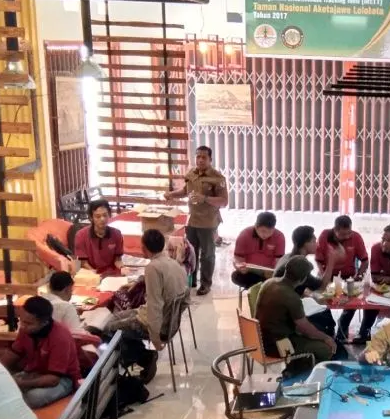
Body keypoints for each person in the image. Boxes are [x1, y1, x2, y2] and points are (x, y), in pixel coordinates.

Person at [104, 229, 190, 350]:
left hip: (157, 325)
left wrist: (155, 339)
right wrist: (174, 317)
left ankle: (143, 356)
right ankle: (139, 353)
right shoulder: (175, 264)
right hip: (170, 322)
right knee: (114, 318)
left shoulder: (153, 268)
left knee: (108, 328)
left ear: (144, 248)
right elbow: (186, 299)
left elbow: (155, 306)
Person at [256, 257, 337, 373]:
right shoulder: (291, 297)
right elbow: (306, 329)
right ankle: (301, 376)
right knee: (326, 349)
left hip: (260, 339)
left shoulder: (269, 283)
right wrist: (326, 338)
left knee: (313, 330)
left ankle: (295, 368)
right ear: (303, 279)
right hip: (278, 345)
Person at [166, 145, 228, 296]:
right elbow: (185, 191)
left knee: (207, 255)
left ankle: (206, 284)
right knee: (191, 252)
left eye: (204, 157)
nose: (200, 160)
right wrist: (172, 194)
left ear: (210, 159)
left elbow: (224, 201)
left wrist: (205, 198)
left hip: (208, 223)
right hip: (192, 221)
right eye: (198, 157)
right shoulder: (191, 173)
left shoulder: (217, 178)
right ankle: (191, 280)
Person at [0, 297, 80, 408]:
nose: (22, 326)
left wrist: (21, 384)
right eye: (21, 321)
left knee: (34, 397)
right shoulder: (25, 330)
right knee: (0, 387)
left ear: (44, 323)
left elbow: (53, 380)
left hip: (63, 379)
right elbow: (12, 355)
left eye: (28, 323)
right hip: (34, 372)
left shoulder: (60, 338)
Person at [316, 216, 370, 343]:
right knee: (322, 301)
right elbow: (318, 260)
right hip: (328, 276)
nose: (346, 237)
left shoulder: (356, 237)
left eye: (348, 233)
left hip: (348, 277)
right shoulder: (324, 235)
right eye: (342, 234)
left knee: (353, 301)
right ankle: (328, 328)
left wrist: (358, 276)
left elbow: (365, 260)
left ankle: (342, 326)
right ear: (335, 230)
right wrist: (325, 277)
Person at [232, 211, 286, 289]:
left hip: (270, 274)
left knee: (283, 277)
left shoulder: (279, 237)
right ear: (256, 226)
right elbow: (238, 257)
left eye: (270, 232)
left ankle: (258, 289)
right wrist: (240, 267)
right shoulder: (245, 234)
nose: (265, 235)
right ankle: (263, 288)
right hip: (249, 273)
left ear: (274, 228)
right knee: (236, 276)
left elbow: (279, 260)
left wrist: (274, 272)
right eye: (263, 231)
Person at [73, 200, 125, 276]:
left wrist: (122, 267)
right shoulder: (81, 235)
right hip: (90, 273)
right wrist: (95, 274)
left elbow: (117, 259)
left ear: (109, 215)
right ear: (91, 218)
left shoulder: (117, 234)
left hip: (111, 274)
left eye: (105, 215)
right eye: (98, 216)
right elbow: (83, 263)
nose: (102, 219)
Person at [42, 271, 84, 335]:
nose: (71, 293)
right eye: (71, 290)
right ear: (67, 289)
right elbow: (77, 334)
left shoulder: (39, 300)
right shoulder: (66, 307)